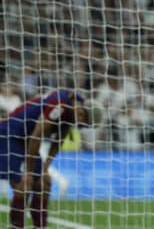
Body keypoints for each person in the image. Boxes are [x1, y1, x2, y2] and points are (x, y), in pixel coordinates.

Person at [0, 89, 103, 228]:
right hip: (9, 135)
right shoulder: (59, 105)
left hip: (26, 141)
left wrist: (45, 168)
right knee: (23, 184)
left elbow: (59, 140)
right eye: (83, 121)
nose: (80, 124)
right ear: (82, 112)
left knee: (44, 184)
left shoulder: (73, 109)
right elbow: (37, 135)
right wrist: (29, 172)